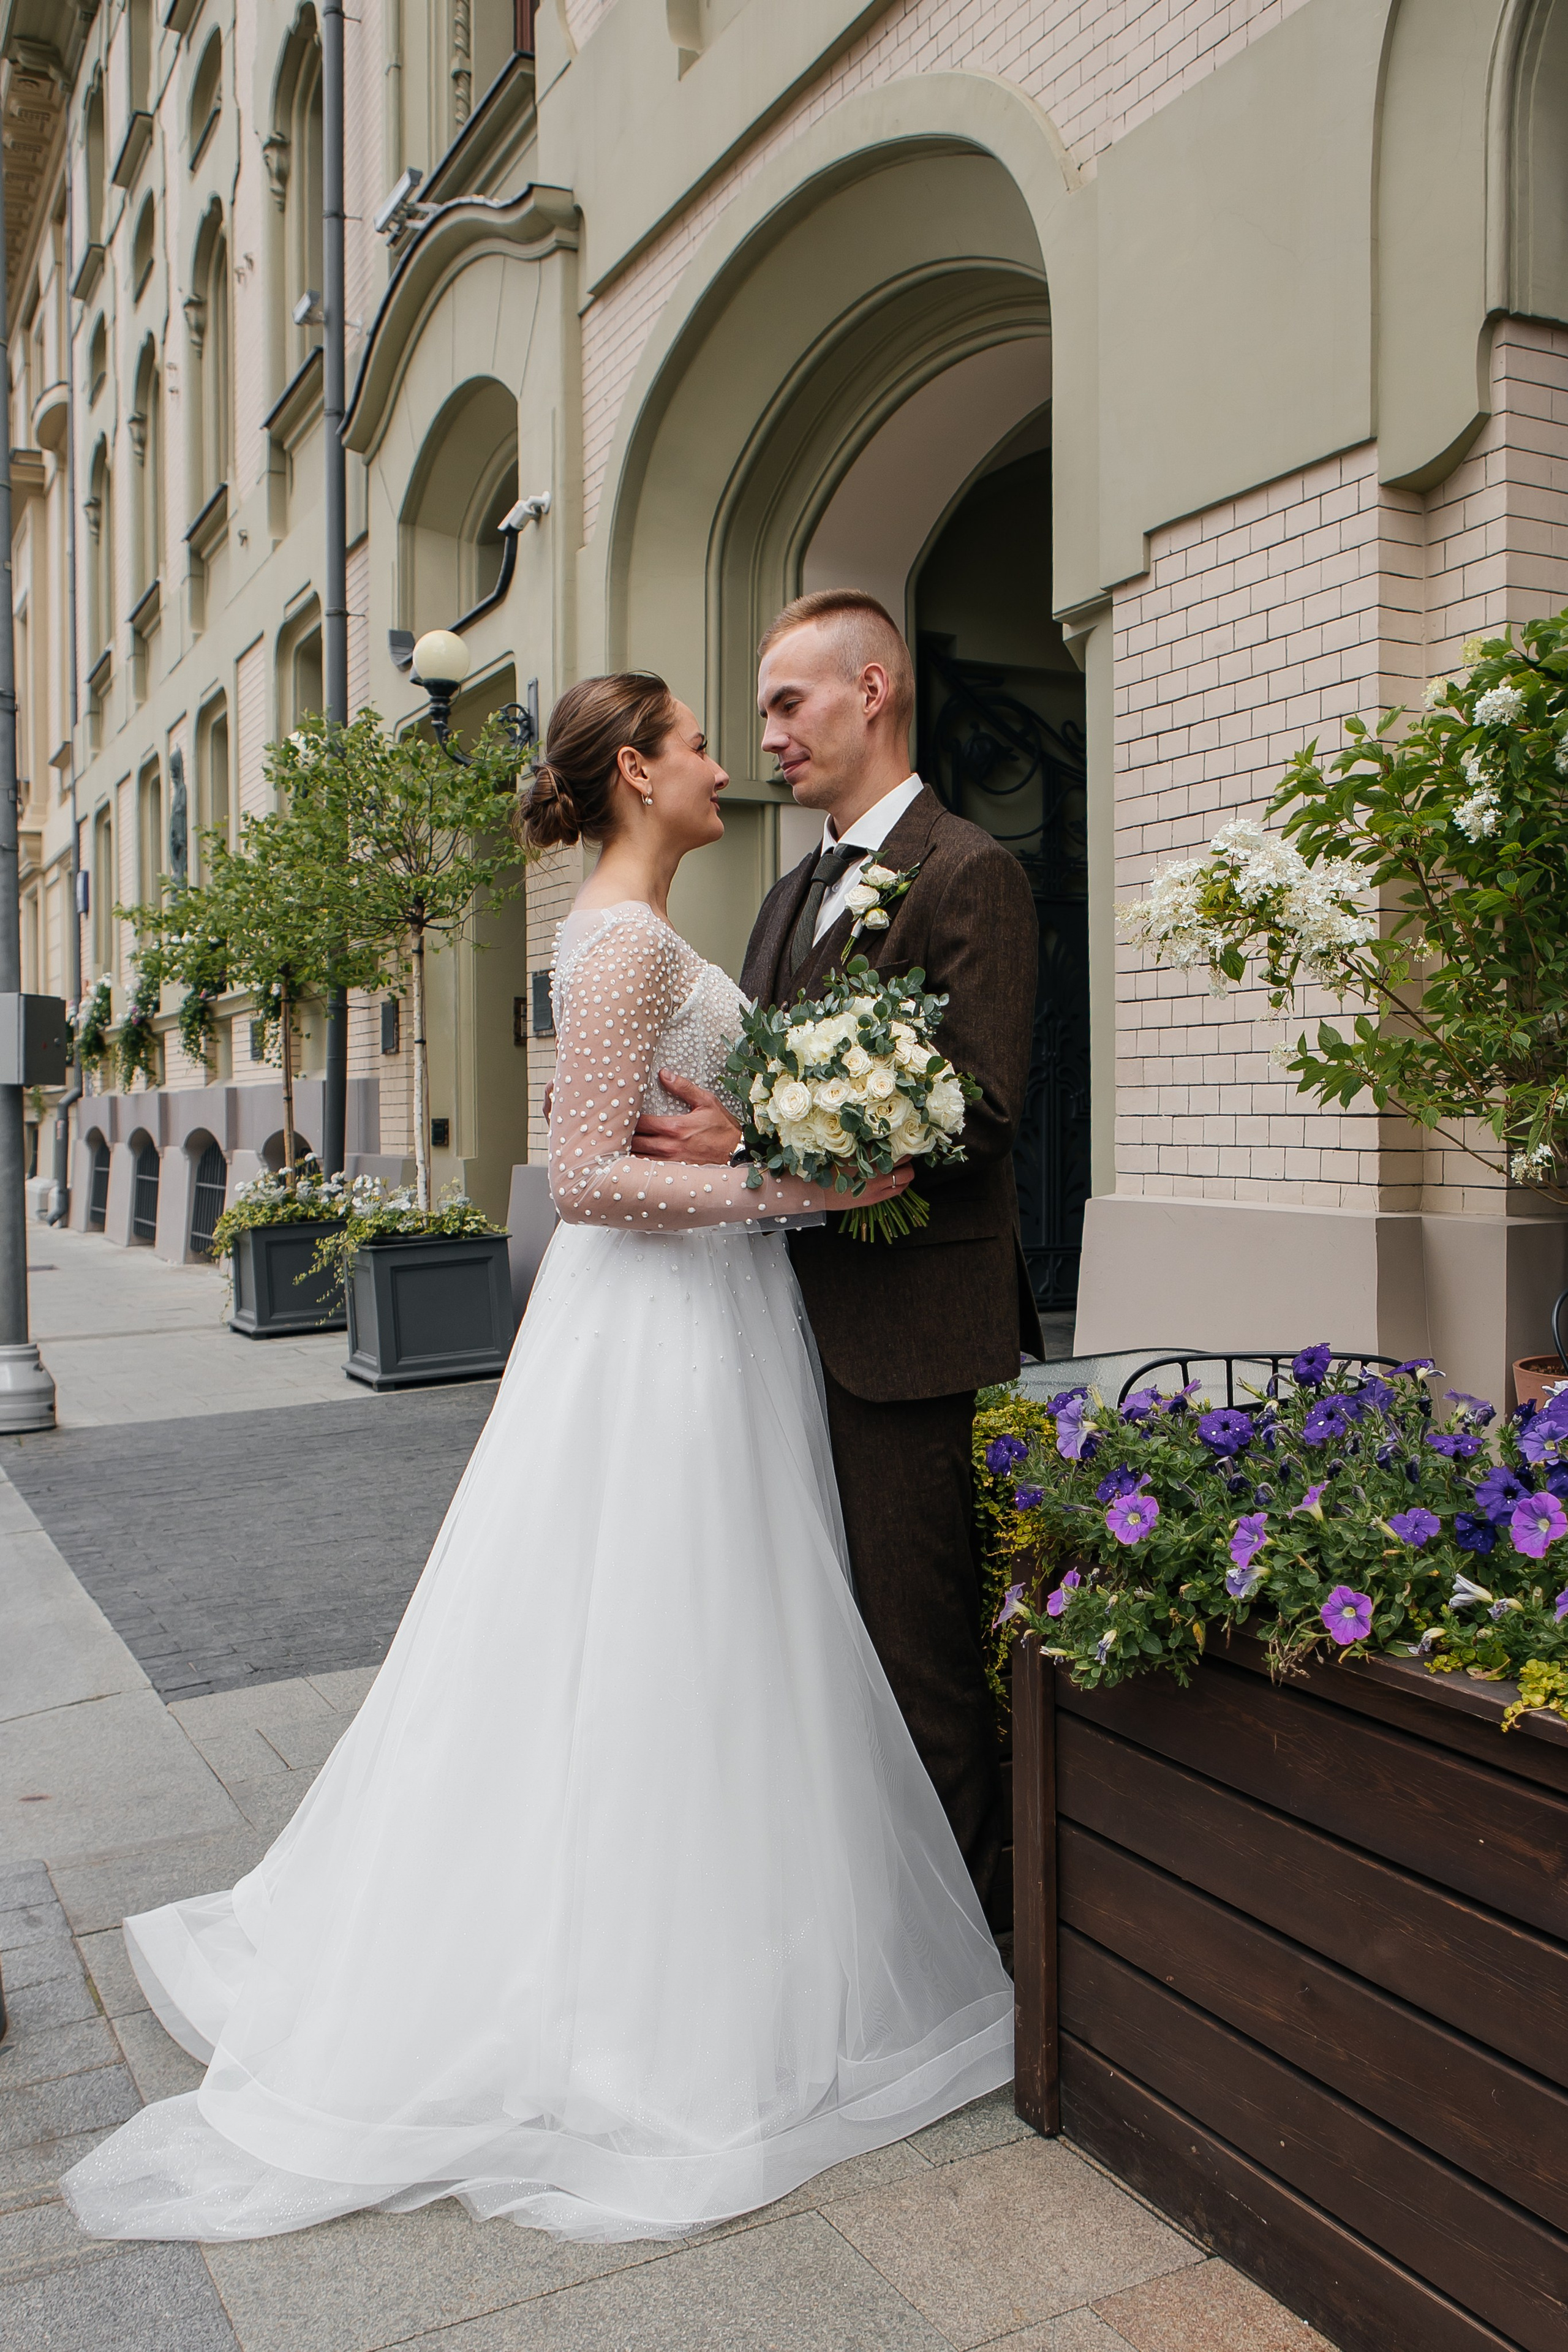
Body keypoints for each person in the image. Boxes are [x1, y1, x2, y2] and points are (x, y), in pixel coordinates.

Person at [61, 671, 1012, 2249]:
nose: (720, 761)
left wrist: (782, 1153)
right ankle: (636, 1996)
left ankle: (712, 1948)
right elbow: (581, 1177)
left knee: (704, 1643)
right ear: (636, 772)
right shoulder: (623, 940)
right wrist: (794, 1193)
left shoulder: (636, 928)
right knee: (660, 1636)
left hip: (708, 1317)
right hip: (658, 1327)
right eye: (695, 741)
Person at [628, 590, 1042, 1920]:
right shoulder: (787, 892)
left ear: (872, 690)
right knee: (816, 1648)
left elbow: (978, 1109)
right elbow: (761, 1083)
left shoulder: (969, 871)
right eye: (760, 713)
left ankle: (973, 1939)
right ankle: (863, 1916)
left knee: (917, 1651)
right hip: (775, 1319)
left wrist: (756, 1147)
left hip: (904, 1332)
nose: (767, 737)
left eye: (787, 704)